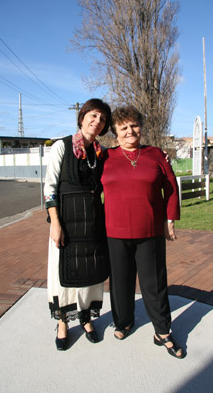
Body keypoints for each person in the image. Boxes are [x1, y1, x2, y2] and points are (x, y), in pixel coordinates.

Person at [101, 105, 185, 359]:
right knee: (120, 282)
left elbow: (170, 187)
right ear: (115, 132)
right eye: (123, 128)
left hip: (150, 231)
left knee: (154, 283)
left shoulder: (156, 154)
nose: (130, 131)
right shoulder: (104, 157)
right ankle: (123, 321)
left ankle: (162, 331)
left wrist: (170, 219)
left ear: (141, 127)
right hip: (114, 231)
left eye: (134, 125)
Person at [44, 98, 111, 350]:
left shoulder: (101, 153)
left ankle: (85, 318)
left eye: (102, 119)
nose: (97, 121)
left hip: (92, 222)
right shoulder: (61, 146)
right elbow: (50, 187)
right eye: (93, 115)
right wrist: (55, 223)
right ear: (82, 117)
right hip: (65, 222)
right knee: (62, 273)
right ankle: (62, 322)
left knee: (90, 271)